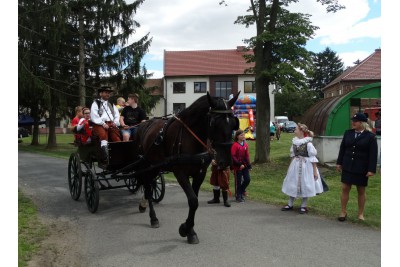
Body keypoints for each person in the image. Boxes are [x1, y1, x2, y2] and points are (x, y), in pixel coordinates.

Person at [336, 113, 378, 221]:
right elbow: (342, 149)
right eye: (352, 120)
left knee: (361, 190)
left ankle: (360, 214)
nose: (353, 122)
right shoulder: (348, 133)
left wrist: (371, 169)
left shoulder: (370, 136)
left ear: (362, 123)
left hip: (361, 167)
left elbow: (373, 154)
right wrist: (339, 163)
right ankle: (343, 212)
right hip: (347, 166)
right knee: (345, 188)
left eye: (356, 121)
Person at [281, 123, 324, 214]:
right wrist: (289, 168)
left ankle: (303, 205)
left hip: (306, 167)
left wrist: (315, 171)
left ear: (301, 131)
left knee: (305, 184)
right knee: (293, 183)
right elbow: (293, 156)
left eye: (296, 129)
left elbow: (313, 159)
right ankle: (290, 203)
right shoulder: (295, 142)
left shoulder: (308, 144)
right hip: (295, 166)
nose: (294, 131)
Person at [90, 86, 121, 161]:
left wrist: (115, 122)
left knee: (116, 138)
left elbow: (117, 115)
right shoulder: (96, 103)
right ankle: (105, 157)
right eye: (106, 92)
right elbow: (94, 116)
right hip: (99, 124)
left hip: (111, 124)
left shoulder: (111, 104)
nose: (108, 94)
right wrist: (103, 124)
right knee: (103, 136)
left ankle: (118, 156)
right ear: (101, 94)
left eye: (109, 93)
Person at [231, 129, 252, 203]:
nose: (243, 136)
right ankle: (238, 196)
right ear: (237, 136)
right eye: (241, 135)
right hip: (237, 166)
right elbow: (233, 156)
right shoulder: (235, 145)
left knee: (247, 179)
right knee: (238, 181)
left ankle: (241, 191)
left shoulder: (245, 144)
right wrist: (239, 164)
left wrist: (249, 165)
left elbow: (247, 155)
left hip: (244, 165)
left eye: (244, 134)